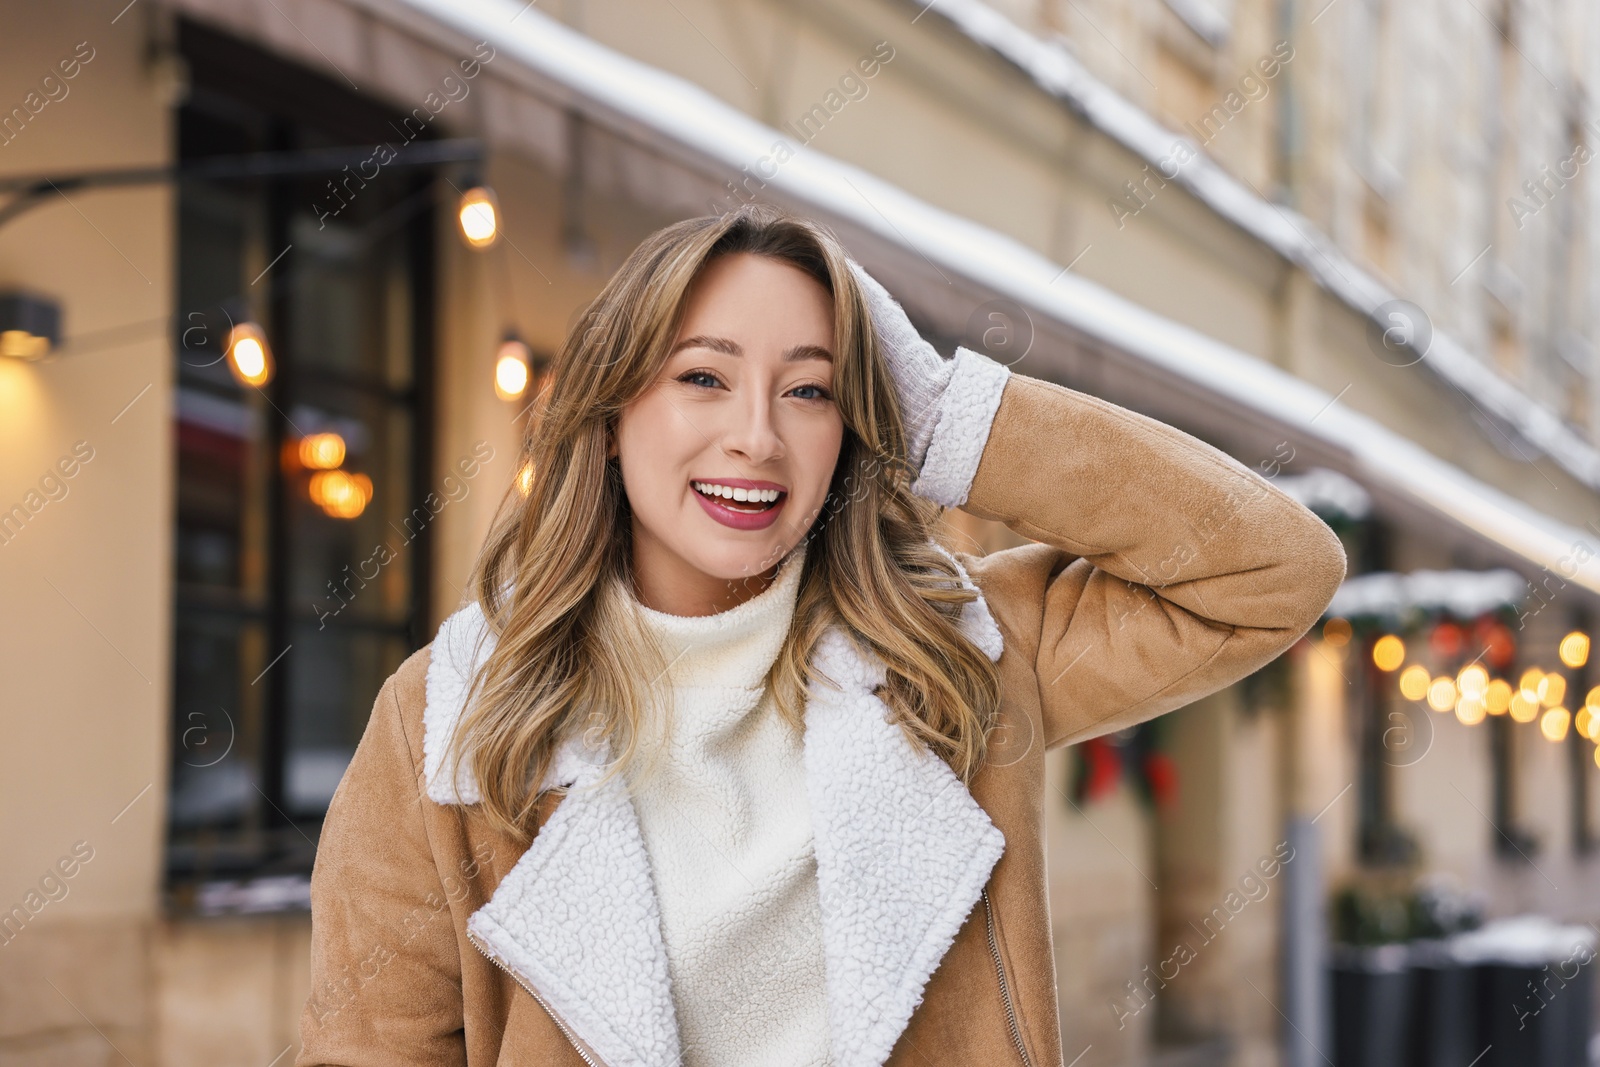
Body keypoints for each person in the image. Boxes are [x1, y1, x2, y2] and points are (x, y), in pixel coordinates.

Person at [295, 203, 1346, 1067]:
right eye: (702, 375)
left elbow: (1270, 569)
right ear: (613, 415)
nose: (757, 434)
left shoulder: (955, 654)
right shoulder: (450, 711)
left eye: (809, 389)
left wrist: (942, 417)